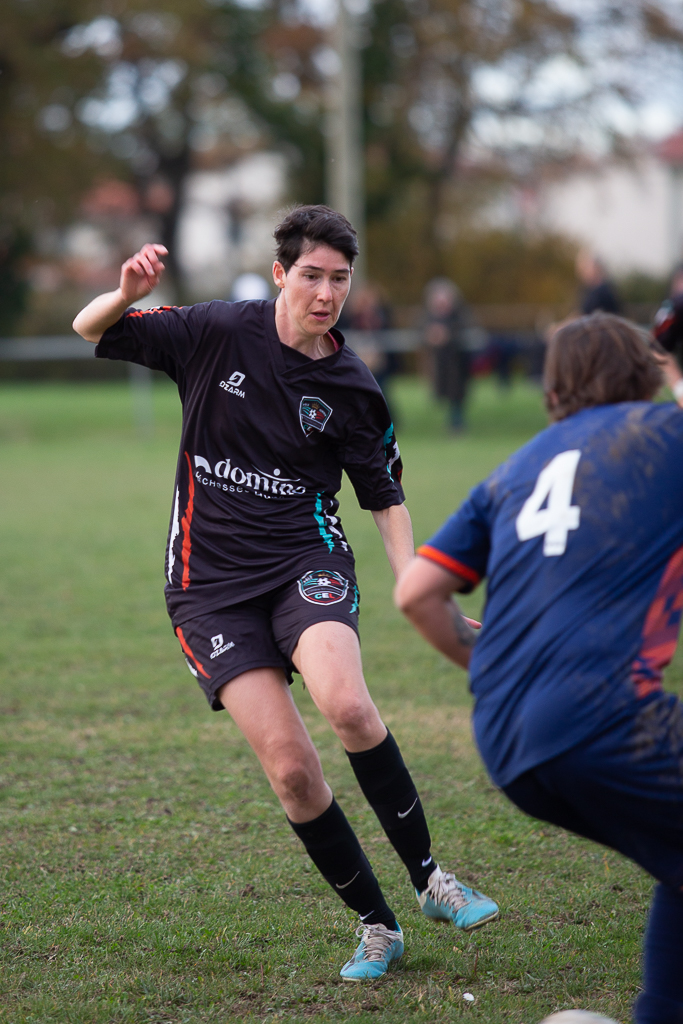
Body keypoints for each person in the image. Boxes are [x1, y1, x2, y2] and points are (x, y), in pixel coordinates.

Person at [72, 205, 499, 981]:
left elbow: (384, 498)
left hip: (307, 558)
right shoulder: (214, 330)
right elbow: (88, 327)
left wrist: (415, 582)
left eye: (339, 279)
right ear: (279, 273)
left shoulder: (351, 386)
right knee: (293, 772)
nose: (325, 293)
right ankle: (377, 926)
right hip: (207, 586)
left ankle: (431, 879)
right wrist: (127, 292)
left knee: (347, 705)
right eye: (310, 275)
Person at [396, 313, 683, 1024]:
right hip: (604, 715)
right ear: (643, 373)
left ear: (552, 389)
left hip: (504, 737)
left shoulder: (514, 468)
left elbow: (416, 593)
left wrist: (496, 668)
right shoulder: (660, 434)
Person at [423, 278, 476, 432]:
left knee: (457, 396)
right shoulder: (427, 317)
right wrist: (431, 336)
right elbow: (420, 331)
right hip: (438, 364)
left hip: (458, 363)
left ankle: (457, 424)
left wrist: (448, 335)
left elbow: (468, 331)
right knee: (443, 395)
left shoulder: (461, 314)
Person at [575, 250, 622, 315]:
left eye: (585, 267)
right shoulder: (586, 291)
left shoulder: (604, 291)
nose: (582, 272)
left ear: (596, 267)